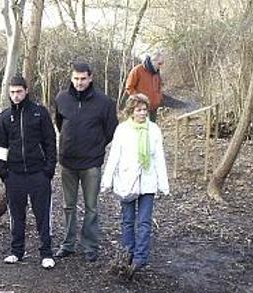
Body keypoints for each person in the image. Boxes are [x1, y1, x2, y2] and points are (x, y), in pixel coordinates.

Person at [54, 62, 118, 262]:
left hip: (91, 163)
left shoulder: (105, 102)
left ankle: (90, 245)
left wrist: (96, 147)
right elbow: (59, 124)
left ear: (90, 78)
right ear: (71, 78)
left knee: (91, 207)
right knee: (68, 206)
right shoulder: (61, 98)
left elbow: (111, 131)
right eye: (76, 78)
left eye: (83, 78)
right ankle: (68, 244)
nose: (79, 82)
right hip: (67, 162)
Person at [0, 75, 58, 269]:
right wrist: (3, 170)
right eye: (12, 92)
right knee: (16, 214)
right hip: (14, 174)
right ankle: (16, 251)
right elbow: (2, 146)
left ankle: (46, 253)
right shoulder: (5, 116)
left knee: (42, 214)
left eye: (19, 91)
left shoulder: (39, 113)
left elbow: (49, 142)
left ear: (26, 90)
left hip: (38, 172)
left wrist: (49, 168)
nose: (16, 95)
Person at [101, 94, 170, 271]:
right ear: (131, 111)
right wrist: (107, 180)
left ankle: (140, 258)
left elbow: (159, 158)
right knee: (127, 220)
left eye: (145, 110)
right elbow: (114, 156)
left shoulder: (153, 130)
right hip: (127, 181)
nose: (142, 113)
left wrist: (163, 184)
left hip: (147, 181)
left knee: (145, 222)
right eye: (138, 110)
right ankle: (126, 254)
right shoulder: (123, 130)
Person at [125, 51, 164, 122]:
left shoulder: (156, 73)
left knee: (151, 129)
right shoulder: (137, 70)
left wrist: (158, 98)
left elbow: (159, 87)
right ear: (153, 61)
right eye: (159, 63)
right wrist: (139, 99)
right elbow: (129, 87)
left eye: (162, 63)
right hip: (140, 109)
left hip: (153, 108)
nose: (161, 66)